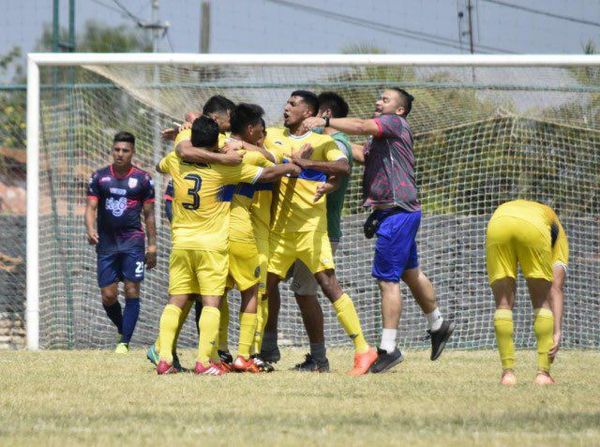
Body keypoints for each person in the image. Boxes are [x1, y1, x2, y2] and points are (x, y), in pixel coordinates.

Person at [304, 88, 455, 373]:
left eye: (385, 100)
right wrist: (334, 143)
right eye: (379, 98)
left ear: (399, 110)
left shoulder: (395, 124)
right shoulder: (381, 138)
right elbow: (360, 153)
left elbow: (362, 125)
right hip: (400, 211)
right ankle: (438, 323)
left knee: (388, 281)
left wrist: (326, 123)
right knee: (411, 272)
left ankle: (388, 348)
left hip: (396, 212)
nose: (378, 102)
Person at [154, 116, 300, 375]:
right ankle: (213, 360)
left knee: (176, 300)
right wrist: (289, 167)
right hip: (214, 243)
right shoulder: (230, 168)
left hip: (181, 242)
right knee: (219, 300)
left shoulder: (175, 161)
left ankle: (164, 358)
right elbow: (266, 172)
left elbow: (161, 163)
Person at [261, 90, 378, 376]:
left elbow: (343, 166)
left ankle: (364, 350)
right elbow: (245, 141)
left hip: (311, 231)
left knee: (328, 286)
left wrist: (307, 164)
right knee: (262, 288)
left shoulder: (324, 141)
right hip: (278, 231)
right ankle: (255, 353)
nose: (285, 107)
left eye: (293, 104)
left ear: (309, 112)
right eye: (286, 102)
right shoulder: (272, 135)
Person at [289, 92, 353, 373]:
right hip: (301, 228)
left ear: (323, 112)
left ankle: (323, 358)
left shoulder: (335, 142)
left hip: (319, 230)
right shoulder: (334, 141)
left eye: (297, 106)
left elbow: (340, 172)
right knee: (282, 286)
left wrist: (326, 181)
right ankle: (265, 349)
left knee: (311, 291)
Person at [85, 131, 156, 353]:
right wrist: (90, 229)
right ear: (112, 150)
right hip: (106, 244)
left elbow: (149, 215)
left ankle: (124, 342)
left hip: (133, 242)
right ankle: (122, 329)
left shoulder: (143, 179)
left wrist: (152, 246)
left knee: (132, 289)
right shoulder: (99, 177)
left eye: (125, 150)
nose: (120, 154)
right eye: (117, 150)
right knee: (108, 296)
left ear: (132, 152)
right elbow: (91, 207)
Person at [486, 199, 568, 386]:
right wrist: (557, 331)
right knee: (541, 302)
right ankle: (543, 375)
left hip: (499, 221)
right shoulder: (557, 230)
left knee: (503, 304)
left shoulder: (540, 212)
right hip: (533, 227)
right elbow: (556, 287)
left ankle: (508, 375)